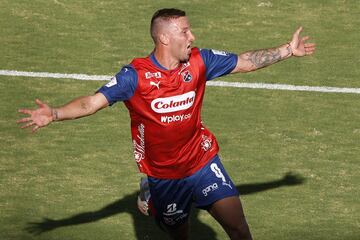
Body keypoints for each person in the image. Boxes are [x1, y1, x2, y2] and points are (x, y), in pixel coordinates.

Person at [17, 8, 315, 240]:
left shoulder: (200, 61)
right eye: (185, 31)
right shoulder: (134, 76)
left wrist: (288, 50)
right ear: (165, 38)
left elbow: (244, 61)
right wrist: (54, 114)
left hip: (202, 160)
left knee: (238, 229)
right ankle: (149, 188)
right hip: (164, 175)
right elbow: (91, 103)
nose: (192, 36)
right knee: (179, 234)